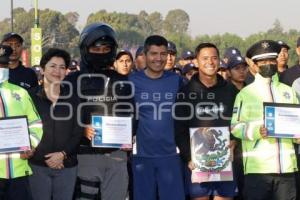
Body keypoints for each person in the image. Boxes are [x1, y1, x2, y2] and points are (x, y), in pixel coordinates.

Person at [66, 23, 133, 200]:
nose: (102, 52)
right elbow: (64, 118)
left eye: (106, 48)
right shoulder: (72, 81)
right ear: (85, 49)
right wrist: (81, 130)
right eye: (96, 48)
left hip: (117, 156)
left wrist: (129, 135)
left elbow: (133, 115)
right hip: (85, 155)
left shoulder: (123, 81)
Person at [231, 40, 299, 200]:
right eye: (263, 62)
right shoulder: (245, 94)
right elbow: (235, 127)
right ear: (254, 65)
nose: (268, 64)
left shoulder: (288, 91)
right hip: (257, 170)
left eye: (271, 60)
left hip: (286, 169)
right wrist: (256, 131)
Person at [175, 42, 238, 200]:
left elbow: (240, 121)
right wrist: (189, 157)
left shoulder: (231, 91)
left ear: (219, 61)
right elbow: (179, 129)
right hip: (198, 163)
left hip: (225, 161)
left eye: (214, 58)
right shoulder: (186, 92)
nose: (210, 62)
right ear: (196, 62)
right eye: (205, 58)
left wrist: (235, 141)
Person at [129, 35, 185, 200]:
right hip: (141, 157)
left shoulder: (177, 81)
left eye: (163, 54)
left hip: (171, 156)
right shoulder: (131, 81)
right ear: (145, 55)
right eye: (154, 53)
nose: (158, 58)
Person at [28, 48, 82, 200]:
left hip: (67, 165)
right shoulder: (30, 97)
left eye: (62, 67)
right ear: (43, 69)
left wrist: (62, 155)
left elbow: (78, 132)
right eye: (53, 66)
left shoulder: (74, 98)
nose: (57, 71)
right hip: (37, 165)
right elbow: (25, 128)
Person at [0, 44, 43, 200]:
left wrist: (30, 146)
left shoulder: (20, 92)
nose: (2, 68)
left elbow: (36, 123)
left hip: (19, 173)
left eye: (4, 64)